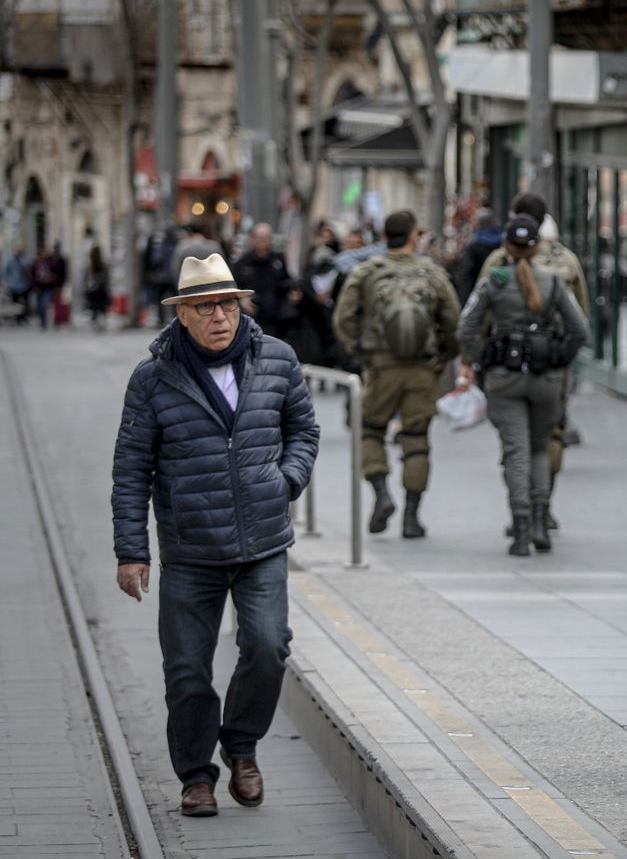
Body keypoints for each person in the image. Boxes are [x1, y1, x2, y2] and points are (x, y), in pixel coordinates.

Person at [110, 253, 320, 818]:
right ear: (183, 315)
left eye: (228, 303)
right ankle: (196, 776)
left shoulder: (276, 359)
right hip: (190, 549)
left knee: (268, 647)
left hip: (262, 543)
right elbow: (131, 468)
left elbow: (303, 430)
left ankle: (242, 745)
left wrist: (287, 480)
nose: (221, 317)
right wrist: (133, 551)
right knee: (185, 669)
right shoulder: (153, 378)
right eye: (206, 307)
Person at [456, 215, 590, 555]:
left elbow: (465, 329)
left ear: (506, 247)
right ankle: (541, 521)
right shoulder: (554, 283)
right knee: (540, 449)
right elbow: (581, 331)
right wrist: (560, 357)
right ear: (537, 247)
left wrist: (483, 357)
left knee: (516, 452)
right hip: (546, 378)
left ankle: (520, 529)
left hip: (505, 377)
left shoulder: (494, 282)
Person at [333, 210, 461, 538]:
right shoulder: (431, 273)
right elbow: (452, 318)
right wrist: (446, 355)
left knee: (370, 431)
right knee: (417, 439)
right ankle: (411, 517)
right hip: (422, 369)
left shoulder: (366, 272)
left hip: (381, 367)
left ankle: (381, 492)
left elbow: (343, 318)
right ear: (413, 237)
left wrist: (362, 351)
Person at [232, 223, 299, 342]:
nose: (264, 242)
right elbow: (233, 288)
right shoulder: (242, 264)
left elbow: (287, 281)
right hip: (252, 318)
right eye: (261, 238)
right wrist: (241, 300)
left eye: (268, 238)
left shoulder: (278, 260)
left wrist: (293, 292)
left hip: (276, 320)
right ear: (252, 239)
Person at [452, 208, 503, 304]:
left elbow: (466, 275)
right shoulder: (503, 242)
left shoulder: (473, 246)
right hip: (499, 293)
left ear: (478, 224)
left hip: (476, 295)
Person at [32, 244, 66, 328]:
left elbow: (55, 275)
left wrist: (52, 278)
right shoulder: (35, 264)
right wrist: (34, 286)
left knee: (44, 304)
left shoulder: (49, 263)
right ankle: (42, 321)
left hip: (47, 287)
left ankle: (46, 322)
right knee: (39, 306)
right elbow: (32, 276)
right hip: (38, 287)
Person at [84, 244, 111, 330]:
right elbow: (106, 279)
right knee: (102, 309)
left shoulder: (90, 266)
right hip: (101, 290)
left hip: (93, 291)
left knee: (94, 309)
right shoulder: (103, 265)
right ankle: (102, 324)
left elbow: (86, 279)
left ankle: (96, 324)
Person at [4, 244, 32, 324]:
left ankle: (23, 317)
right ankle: (16, 317)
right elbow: (6, 271)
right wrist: (7, 281)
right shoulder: (10, 261)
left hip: (25, 285)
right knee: (15, 303)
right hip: (14, 285)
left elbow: (29, 270)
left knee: (25, 303)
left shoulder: (26, 260)